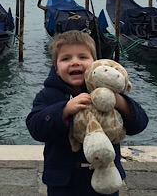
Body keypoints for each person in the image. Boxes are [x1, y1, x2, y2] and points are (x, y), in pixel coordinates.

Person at [26, 30, 148, 195]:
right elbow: (35, 128)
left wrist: (120, 101)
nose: (75, 62)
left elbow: (139, 124)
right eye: (66, 58)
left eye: (82, 57)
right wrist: (64, 109)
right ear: (56, 68)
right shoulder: (48, 95)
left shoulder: (109, 93)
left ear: (95, 63)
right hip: (63, 182)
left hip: (105, 177)